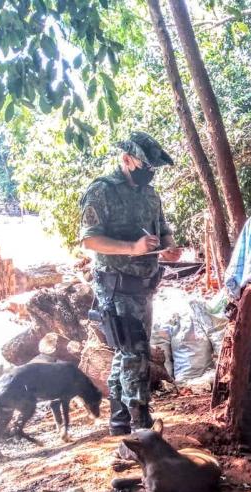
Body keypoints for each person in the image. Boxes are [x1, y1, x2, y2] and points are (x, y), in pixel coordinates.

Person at [79, 131, 181, 435]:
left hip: (144, 285)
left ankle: (120, 420)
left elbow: (163, 231)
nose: (150, 172)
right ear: (126, 160)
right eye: (145, 165)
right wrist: (131, 248)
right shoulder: (101, 191)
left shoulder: (150, 195)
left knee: (127, 353)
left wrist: (170, 249)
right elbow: (89, 240)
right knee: (135, 353)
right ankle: (141, 426)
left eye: (154, 168)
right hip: (115, 285)